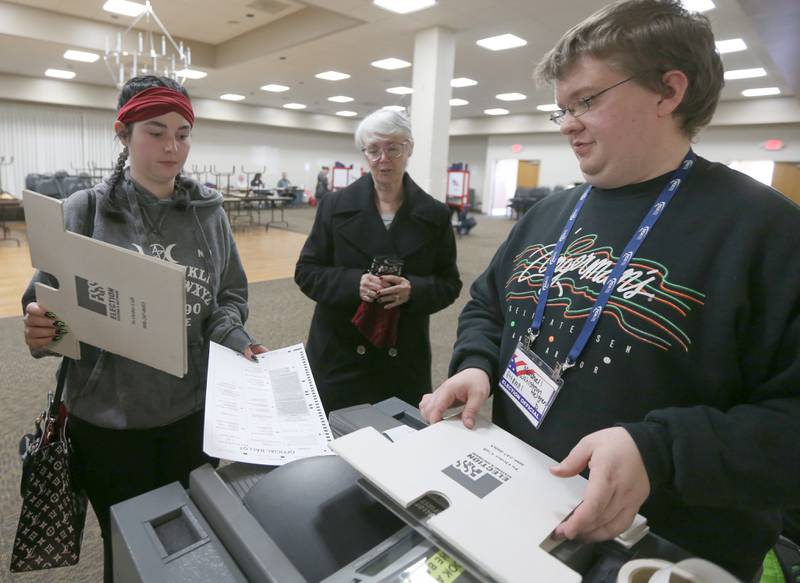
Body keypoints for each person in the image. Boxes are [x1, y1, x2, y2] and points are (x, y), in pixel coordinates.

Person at [419, 1, 800, 581]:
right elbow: (488, 305)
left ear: (668, 92)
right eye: (562, 108)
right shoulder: (549, 213)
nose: (568, 122)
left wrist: (659, 450)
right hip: (518, 507)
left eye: (588, 101)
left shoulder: (767, 232)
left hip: (661, 550)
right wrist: (476, 364)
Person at [22, 75, 265, 582]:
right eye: (155, 132)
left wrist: (235, 335)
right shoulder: (85, 211)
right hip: (109, 425)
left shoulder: (211, 215)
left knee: (193, 545)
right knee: (129, 554)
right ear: (123, 133)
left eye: (183, 132)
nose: (172, 147)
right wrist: (42, 328)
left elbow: (227, 297)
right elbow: (44, 299)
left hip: (191, 417)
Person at [295, 109, 462, 413]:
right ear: (365, 153)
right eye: (374, 150)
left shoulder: (435, 214)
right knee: (335, 446)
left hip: (402, 358)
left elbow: (449, 283)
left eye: (393, 148)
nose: (383, 158)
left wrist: (413, 290)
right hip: (339, 354)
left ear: (408, 149)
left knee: (397, 447)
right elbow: (307, 272)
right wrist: (352, 283)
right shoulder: (334, 206)